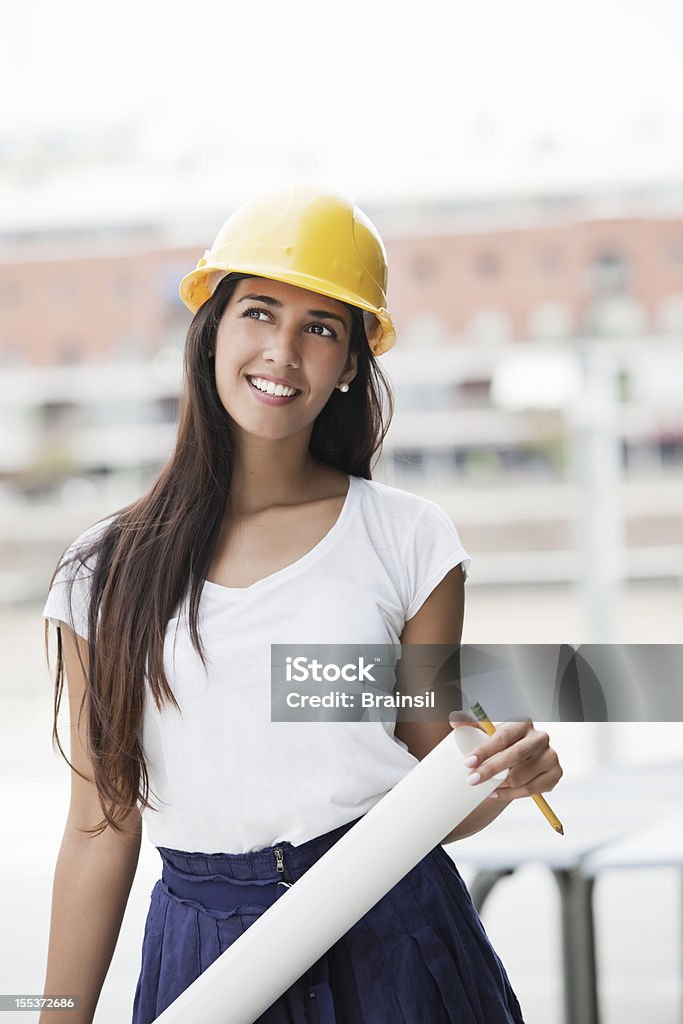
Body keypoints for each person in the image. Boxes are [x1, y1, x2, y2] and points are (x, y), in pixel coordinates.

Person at [41, 182, 563, 1024]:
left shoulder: (409, 540)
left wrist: (500, 780)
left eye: (320, 328)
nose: (282, 350)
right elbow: (101, 828)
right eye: (258, 312)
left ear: (352, 363)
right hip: (205, 958)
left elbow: (431, 778)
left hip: (397, 936)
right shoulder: (101, 571)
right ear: (211, 328)